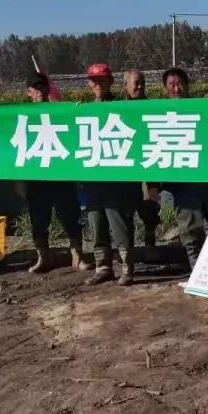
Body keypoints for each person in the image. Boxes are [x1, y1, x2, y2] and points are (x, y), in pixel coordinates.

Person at [22, 75, 89, 273]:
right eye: (35, 88)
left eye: (42, 86)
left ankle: (77, 254)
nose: (40, 91)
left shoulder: (60, 111)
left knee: (70, 215)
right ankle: (43, 255)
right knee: (39, 218)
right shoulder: (23, 115)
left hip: (61, 175)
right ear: (28, 92)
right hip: (36, 177)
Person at [80, 63, 137, 286]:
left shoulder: (122, 107)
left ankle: (127, 267)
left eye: (102, 80)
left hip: (116, 179)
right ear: (89, 83)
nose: (97, 84)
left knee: (119, 225)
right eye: (94, 80)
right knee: (96, 224)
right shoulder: (83, 110)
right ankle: (103, 267)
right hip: (93, 178)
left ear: (110, 82)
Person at [157, 67, 208, 269]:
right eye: (171, 85)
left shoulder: (202, 109)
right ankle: (197, 270)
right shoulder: (158, 114)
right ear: (165, 88)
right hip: (182, 184)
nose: (176, 88)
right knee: (190, 232)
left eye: (180, 84)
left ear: (187, 86)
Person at [123, 69, 160, 246]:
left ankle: (149, 244)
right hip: (126, 168)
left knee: (149, 210)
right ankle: (127, 250)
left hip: (147, 168)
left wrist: (154, 184)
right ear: (126, 85)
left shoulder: (152, 108)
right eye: (136, 83)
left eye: (142, 83)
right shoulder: (117, 108)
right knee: (125, 211)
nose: (140, 86)